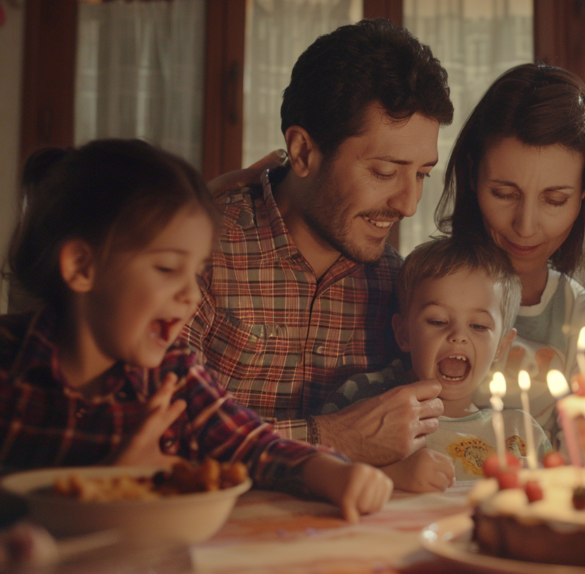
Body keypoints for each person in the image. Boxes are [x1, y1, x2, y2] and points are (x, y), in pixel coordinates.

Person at [0, 140, 392, 547]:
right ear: (82, 267)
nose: (191, 294)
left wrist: (332, 473)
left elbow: (252, 445)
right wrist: (96, 480)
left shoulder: (173, 375)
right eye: (168, 269)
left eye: (196, 271)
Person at [184, 19, 454, 468]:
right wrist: (333, 439)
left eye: (423, 174)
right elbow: (154, 429)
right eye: (385, 172)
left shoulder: (398, 284)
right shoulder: (199, 252)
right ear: (304, 152)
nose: (409, 204)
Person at [435, 64, 585, 449]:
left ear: (584, 194)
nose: (526, 226)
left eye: (555, 200)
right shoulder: (424, 292)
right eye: (504, 194)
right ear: (472, 176)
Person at [322, 238, 550, 491]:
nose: (458, 335)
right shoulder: (365, 400)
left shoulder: (521, 432)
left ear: (501, 346)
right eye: (438, 321)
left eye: (478, 326)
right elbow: (314, 469)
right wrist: (394, 475)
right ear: (404, 334)